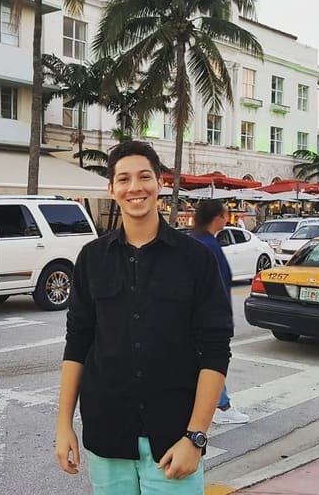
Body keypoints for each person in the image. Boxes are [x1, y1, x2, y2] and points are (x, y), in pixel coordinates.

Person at [56, 140, 234, 494]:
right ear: (112, 189)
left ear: (160, 183)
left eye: (144, 177)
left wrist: (196, 437)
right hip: (107, 435)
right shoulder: (92, 258)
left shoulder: (195, 259)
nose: (134, 187)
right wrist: (64, 425)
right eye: (123, 179)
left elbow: (215, 350)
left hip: (174, 440)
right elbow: (77, 343)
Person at [192, 200, 250, 425]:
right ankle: (221, 406)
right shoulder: (208, 246)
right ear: (217, 218)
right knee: (211, 361)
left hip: (199, 315)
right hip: (207, 317)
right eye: (225, 215)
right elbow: (216, 285)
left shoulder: (200, 241)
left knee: (202, 361)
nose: (227, 219)